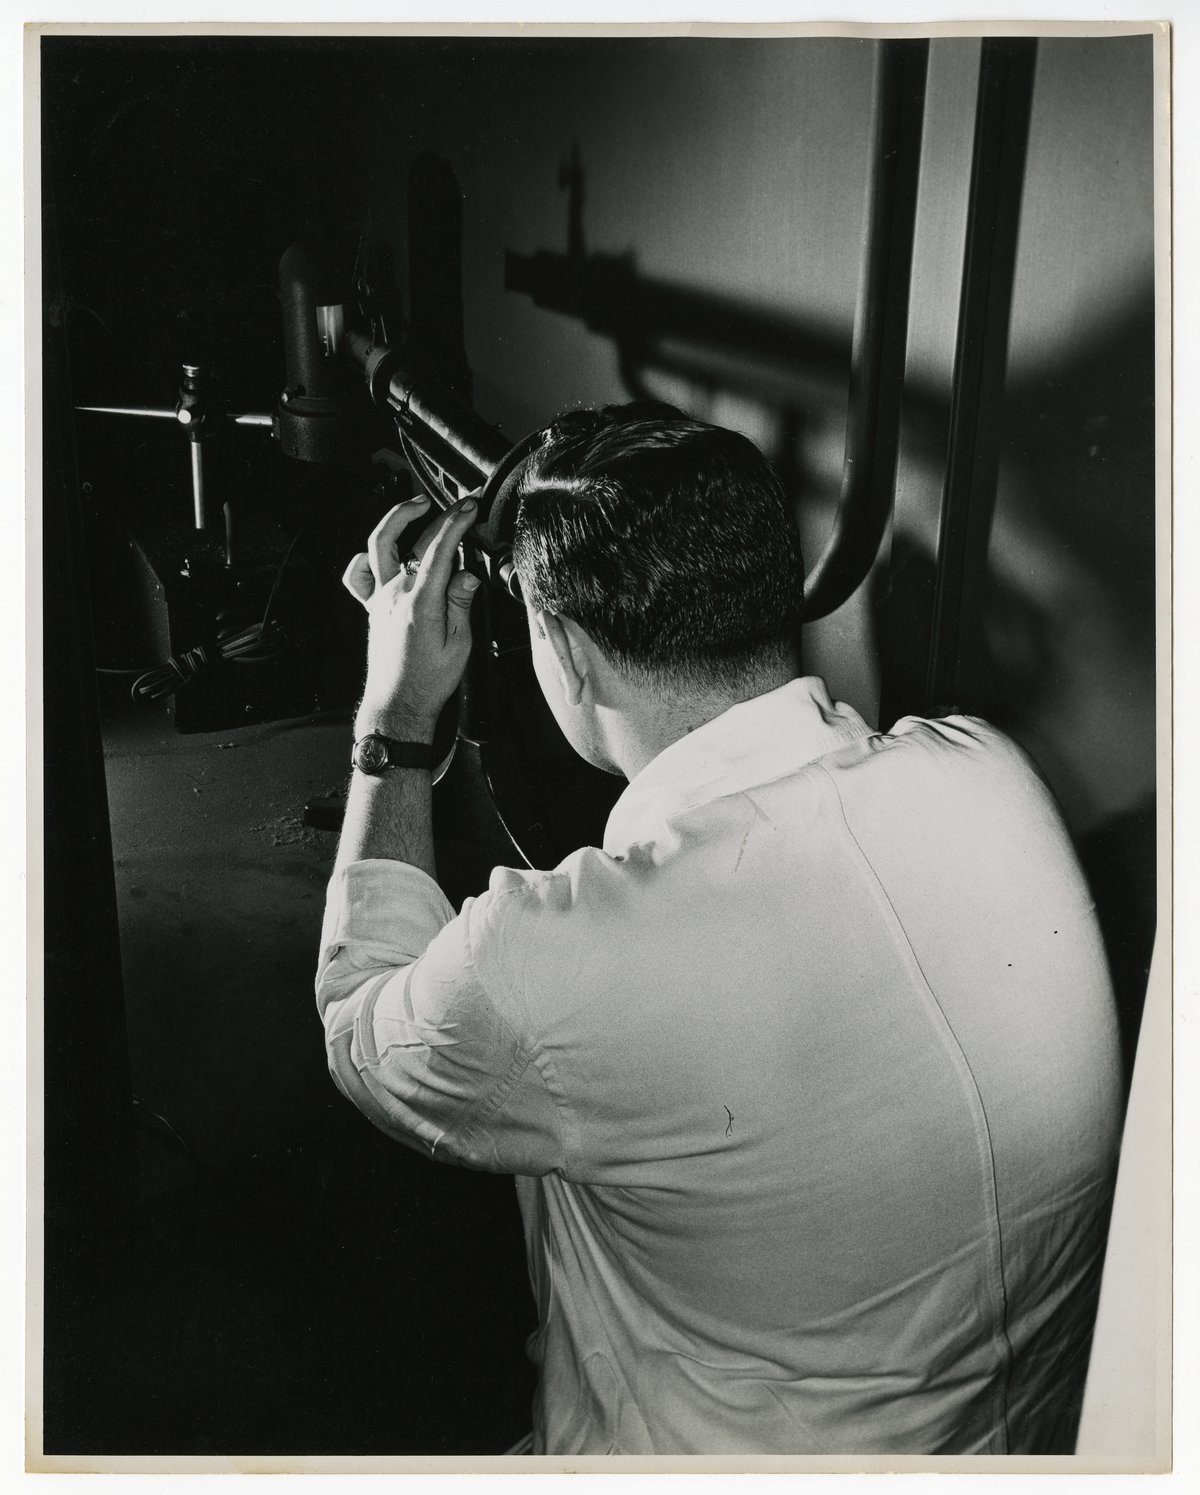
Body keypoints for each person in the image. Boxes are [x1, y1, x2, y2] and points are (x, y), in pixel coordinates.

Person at [315, 404, 1123, 1456]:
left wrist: (396, 716)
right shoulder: (991, 768)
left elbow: (360, 1021)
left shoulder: (547, 959)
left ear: (564, 650)